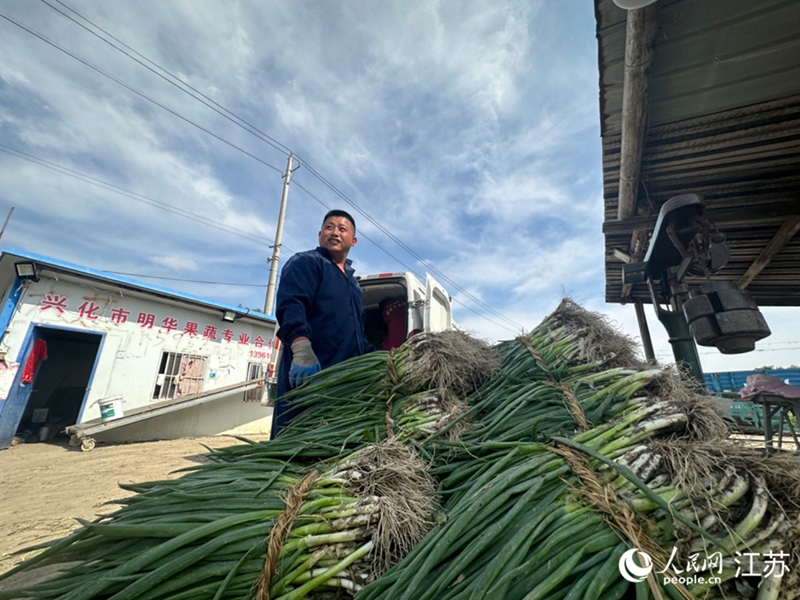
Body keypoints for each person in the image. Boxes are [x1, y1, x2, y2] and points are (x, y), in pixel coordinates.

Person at [271, 209, 374, 438]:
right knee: (297, 443)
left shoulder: (353, 285)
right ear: (320, 235)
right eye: (329, 227)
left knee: (334, 447)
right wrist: (301, 348)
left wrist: (376, 356)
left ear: (353, 241)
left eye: (342, 229)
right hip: (311, 376)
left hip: (344, 383)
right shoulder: (306, 262)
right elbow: (292, 305)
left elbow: (357, 333)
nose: (334, 232)